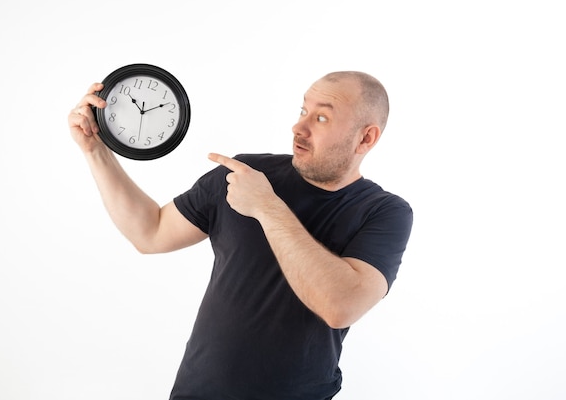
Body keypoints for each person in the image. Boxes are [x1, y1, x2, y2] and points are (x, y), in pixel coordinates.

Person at [68, 70, 413, 400]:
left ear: (366, 138)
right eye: (303, 110)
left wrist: (267, 207)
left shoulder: (384, 212)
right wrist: (95, 151)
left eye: (321, 118)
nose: (299, 126)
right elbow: (151, 232)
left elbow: (341, 306)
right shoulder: (245, 173)